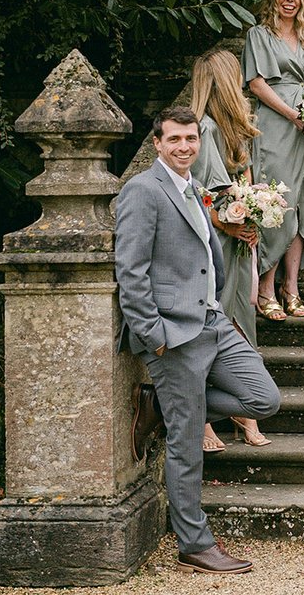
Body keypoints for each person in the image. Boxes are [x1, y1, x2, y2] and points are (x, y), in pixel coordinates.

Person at [116, 106, 280, 575]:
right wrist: (154, 336)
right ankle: (193, 543)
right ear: (158, 143)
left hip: (214, 322)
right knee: (187, 443)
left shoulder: (193, 189)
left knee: (263, 398)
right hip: (175, 333)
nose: (185, 146)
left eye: (191, 138)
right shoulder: (143, 191)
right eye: (175, 139)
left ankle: (160, 403)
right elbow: (131, 271)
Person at [189, 48, 271, 451]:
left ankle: (244, 413)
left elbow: (246, 182)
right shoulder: (202, 129)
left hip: (237, 240)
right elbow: (197, 193)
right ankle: (204, 421)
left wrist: (253, 215)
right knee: (216, 320)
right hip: (214, 241)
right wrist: (226, 221)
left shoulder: (233, 128)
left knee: (242, 319)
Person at [243, 0, 304, 321]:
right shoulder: (259, 35)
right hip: (277, 124)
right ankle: (265, 287)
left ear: (302, 0)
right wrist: (293, 114)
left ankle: (291, 287)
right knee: (278, 201)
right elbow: (256, 84)